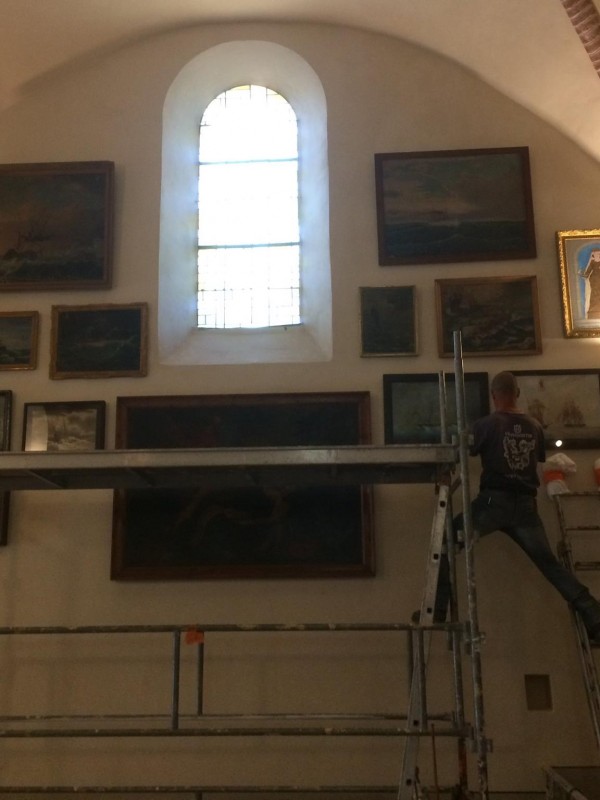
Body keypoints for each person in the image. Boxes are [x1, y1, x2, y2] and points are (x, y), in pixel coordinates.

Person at [434, 370, 600, 640]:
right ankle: (593, 613)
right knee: (550, 565)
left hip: (493, 503)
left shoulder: (487, 425)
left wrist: (444, 469)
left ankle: (438, 610)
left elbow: (461, 450)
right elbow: (535, 461)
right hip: (525, 507)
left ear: (493, 395)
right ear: (518, 394)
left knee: (445, 541)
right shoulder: (534, 426)